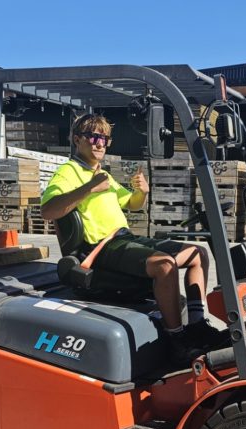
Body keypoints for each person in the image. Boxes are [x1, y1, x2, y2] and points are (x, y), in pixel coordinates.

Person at [40, 113, 224, 364]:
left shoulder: (102, 175)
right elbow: (48, 210)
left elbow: (132, 204)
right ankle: (177, 339)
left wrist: (142, 191)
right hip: (100, 249)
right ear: (76, 139)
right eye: (94, 136)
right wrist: (89, 187)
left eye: (104, 139)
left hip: (123, 238)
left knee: (197, 254)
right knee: (164, 265)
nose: (99, 143)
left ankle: (197, 325)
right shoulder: (68, 172)